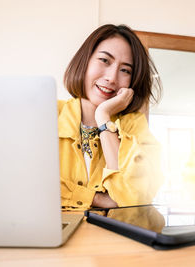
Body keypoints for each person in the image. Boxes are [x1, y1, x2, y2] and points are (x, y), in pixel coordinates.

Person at [59, 24, 163, 210]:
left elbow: (135, 201)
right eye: (105, 60)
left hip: (114, 238)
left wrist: (103, 117)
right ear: (85, 61)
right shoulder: (50, 113)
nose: (112, 77)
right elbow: (25, 183)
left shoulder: (135, 127)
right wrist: (96, 199)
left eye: (125, 70)